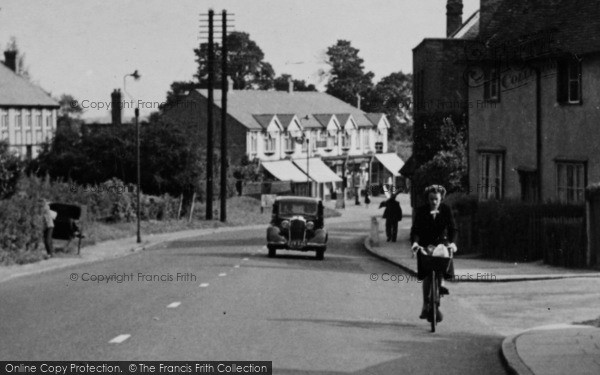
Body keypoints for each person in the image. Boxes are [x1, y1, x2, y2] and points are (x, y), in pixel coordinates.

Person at [410, 185, 457, 322]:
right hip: (425, 245)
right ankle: (425, 304)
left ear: (441, 198)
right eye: (431, 199)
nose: (433, 202)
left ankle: (440, 287)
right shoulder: (422, 211)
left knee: (443, 264)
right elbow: (416, 230)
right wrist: (415, 243)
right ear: (428, 199)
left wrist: (453, 243)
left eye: (436, 199)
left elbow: (453, 228)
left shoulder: (446, 210)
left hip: (442, 244)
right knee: (426, 276)